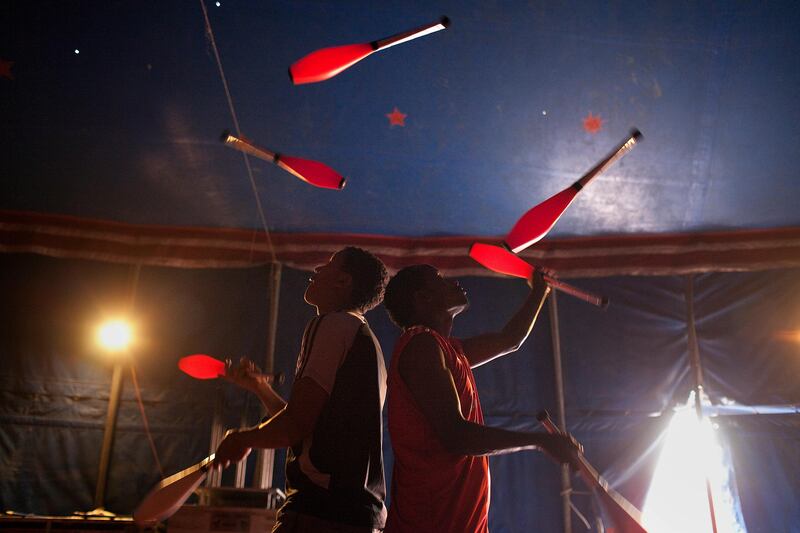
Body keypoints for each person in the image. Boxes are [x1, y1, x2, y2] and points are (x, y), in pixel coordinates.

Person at [382, 264, 581, 533]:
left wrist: (539, 292)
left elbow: (510, 339)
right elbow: (457, 436)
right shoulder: (421, 345)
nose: (453, 282)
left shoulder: (450, 349)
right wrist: (539, 440)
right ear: (423, 298)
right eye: (440, 280)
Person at [214, 247, 389, 533]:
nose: (317, 270)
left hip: (322, 513)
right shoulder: (364, 337)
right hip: (357, 515)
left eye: (329, 265)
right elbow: (309, 427)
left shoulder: (334, 324)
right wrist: (259, 388)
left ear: (343, 282)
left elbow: (296, 425)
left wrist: (240, 438)